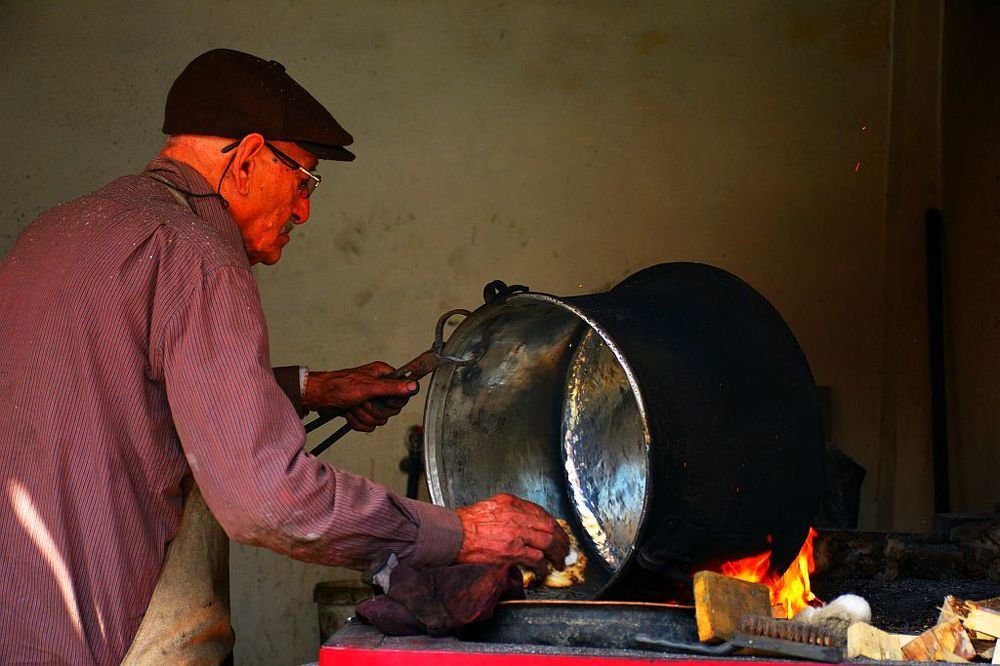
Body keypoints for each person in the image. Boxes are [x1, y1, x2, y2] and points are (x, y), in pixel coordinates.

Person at [0, 48, 569, 664]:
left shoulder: (53, 233)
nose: (303, 210)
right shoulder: (196, 254)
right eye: (303, 181)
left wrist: (309, 390)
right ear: (248, 159)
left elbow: (117, 389)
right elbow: (268, 501)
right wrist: (462, 533)